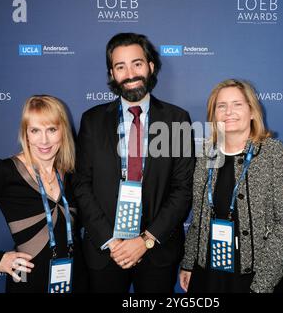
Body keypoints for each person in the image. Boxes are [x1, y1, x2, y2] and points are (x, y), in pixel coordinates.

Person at [73, 32, 195, 293]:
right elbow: (81, 185)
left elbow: (183, 188)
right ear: (112, 73)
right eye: (120, 66)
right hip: (106, 251)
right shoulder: (91, 121)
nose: (130, 73)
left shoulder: (177, 119)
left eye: (137, 63)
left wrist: (145, 240)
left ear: (150, 66)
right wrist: (112, 241)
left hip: (158, 251)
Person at [0, 95, 87, 293]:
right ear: (26, 134)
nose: (44, 140)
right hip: (27, 282)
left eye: (52, 129)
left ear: (63, 131)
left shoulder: (69, 171)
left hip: (75, 280)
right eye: (35, 130)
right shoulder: (5, 171)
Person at [179, 79, 283, 293]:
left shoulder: (272, 152)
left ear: (252, 112)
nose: (228, 112)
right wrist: (189, 263)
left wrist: (262, 285)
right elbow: (198, 219)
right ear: (213, 115)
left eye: (237, 104)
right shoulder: (207, 154)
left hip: (259, 274)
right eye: (221, 106)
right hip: (211, 273)